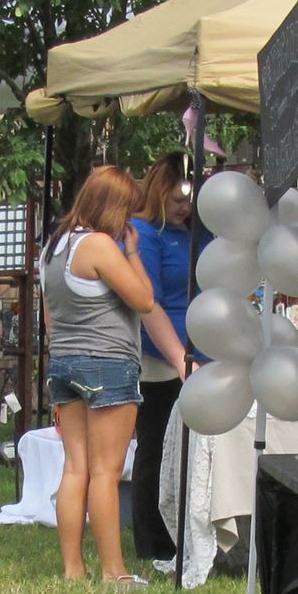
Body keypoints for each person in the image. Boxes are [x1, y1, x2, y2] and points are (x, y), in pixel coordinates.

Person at [42, 165, 189, 587]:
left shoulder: (53, 247)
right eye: (127, 209)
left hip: (65, 362)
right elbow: (144, 299)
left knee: (75, 468)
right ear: (112, 207)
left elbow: (51, 316)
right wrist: (132, 251)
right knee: (107, 471)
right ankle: (115, 572)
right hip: (108, 363)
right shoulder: (101, 246)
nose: (130, 220)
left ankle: (73, 570)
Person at [128, 154, 195, 570]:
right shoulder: (144, 234)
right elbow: (145, 300)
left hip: (197, 352)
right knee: (155, 447)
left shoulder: (192, 234)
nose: (185, 207)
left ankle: (183, 531)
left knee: (189, 451)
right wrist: (176, 356)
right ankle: (152, 541)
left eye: (189, 199)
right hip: (159, 356)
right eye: (177, 199)